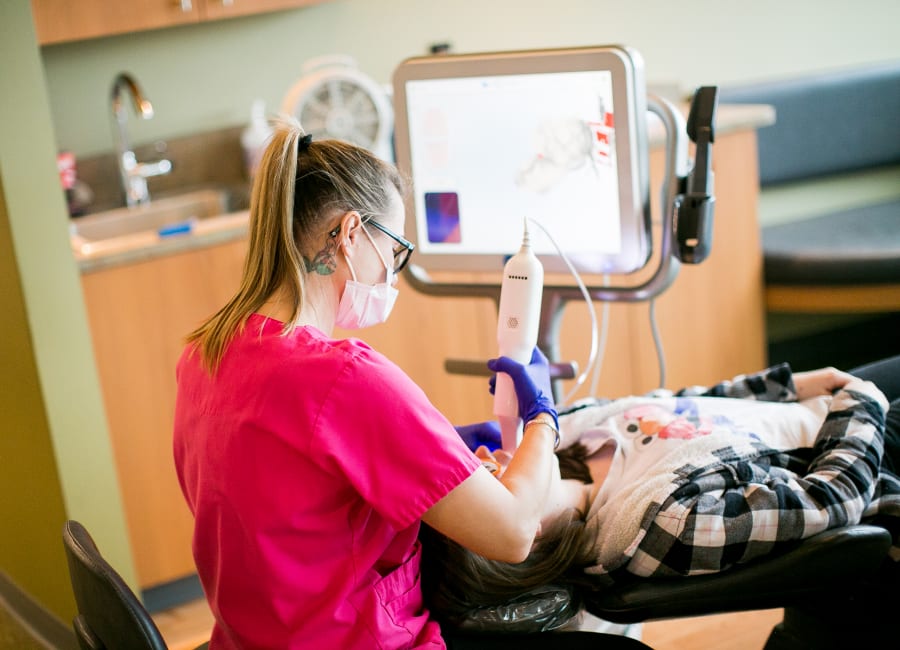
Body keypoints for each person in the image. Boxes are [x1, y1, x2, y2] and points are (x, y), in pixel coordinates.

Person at [172, 117, 645, 650]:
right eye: (395, 251)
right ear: (351, 234)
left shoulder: (204, 355)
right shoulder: (343, 378)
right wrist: (542, 420)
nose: (392, 278)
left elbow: (288, 498)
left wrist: (433, 454)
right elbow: (513, 532)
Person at [420, 357, 900, 629]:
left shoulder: (573, 432)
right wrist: (861, 398)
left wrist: (783, 385)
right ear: (528, 533)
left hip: (827, 405)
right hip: (874, 454)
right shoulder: (656, 527)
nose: (479, 458)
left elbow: (682, 406)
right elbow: (832, 499)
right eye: (486, 484)